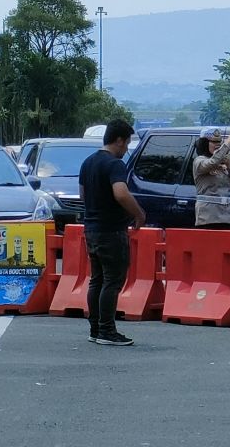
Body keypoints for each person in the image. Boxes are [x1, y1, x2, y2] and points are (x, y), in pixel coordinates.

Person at [79, 119, 146, 346]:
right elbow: (121, 194)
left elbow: (82, 195)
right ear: (118, 140)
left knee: (96, 280)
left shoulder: (88, 162)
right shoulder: (114, 164)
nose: (126, 148)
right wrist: (138, 214)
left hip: (92, 229)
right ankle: (107, 330)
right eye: (126, 143)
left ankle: (96, 328)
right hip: (111, 231)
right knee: (112, 281)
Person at [192, 126, 230, 228]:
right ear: (204, 143)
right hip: (208, 216)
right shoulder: (199, 161)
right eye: (214, 142)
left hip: (227, 216)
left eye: (219, 142)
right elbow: (212, 162)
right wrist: (228, 141)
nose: (218, 145)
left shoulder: (222, 163)